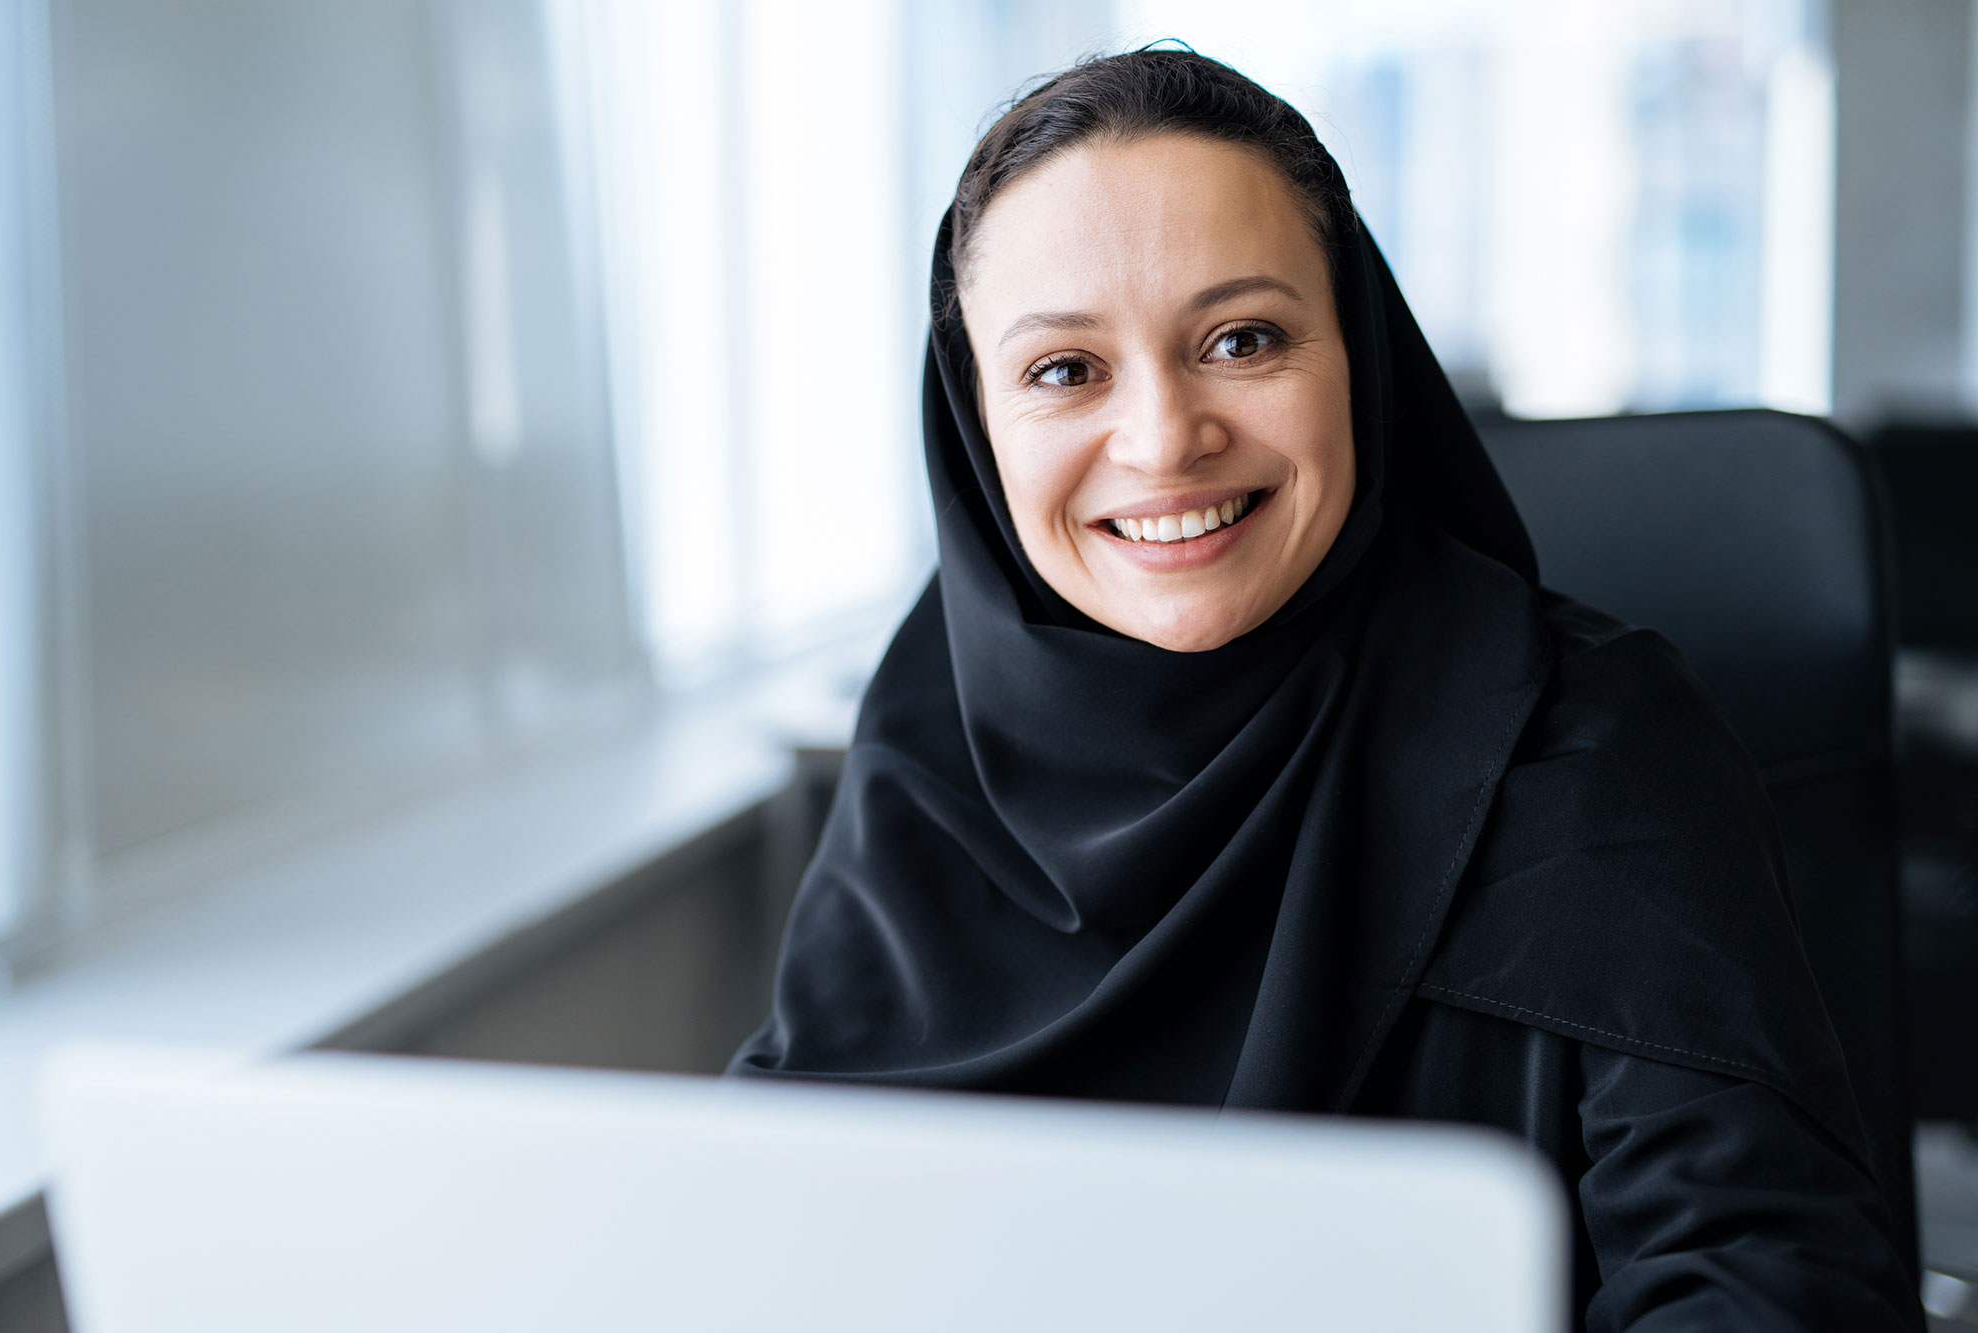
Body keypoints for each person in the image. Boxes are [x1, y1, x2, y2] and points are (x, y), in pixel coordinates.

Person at [730, 47, 1922, 1331]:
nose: (1161, 439)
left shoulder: (1584, 735)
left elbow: (1763, 1277)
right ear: (975, 422)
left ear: (1356, 352)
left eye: (1240, 340)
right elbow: (773, 1234)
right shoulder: (927, 747)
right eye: (1064, 369)